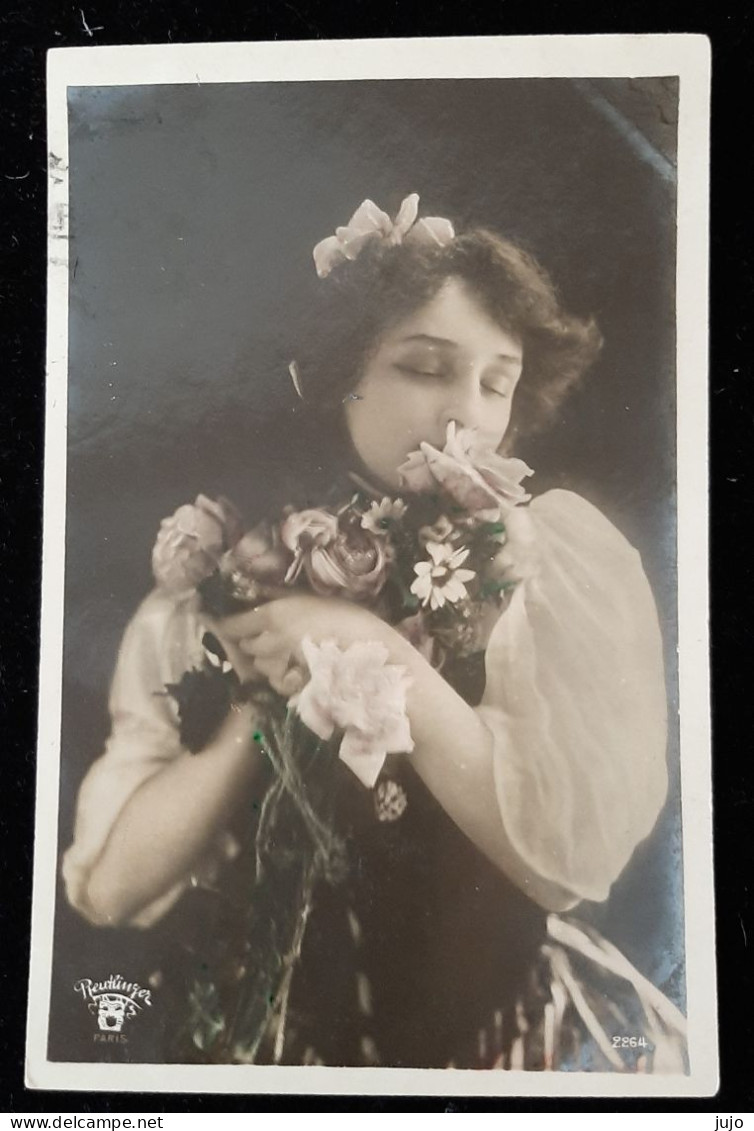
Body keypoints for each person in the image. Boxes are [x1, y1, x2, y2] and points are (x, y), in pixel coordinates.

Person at [62, 194, 681, 1070]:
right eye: (426, 368)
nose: (465, 412)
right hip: (271, 1060)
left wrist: (375, 647)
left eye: (496, 382)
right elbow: (111, 887)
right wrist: (264, 691)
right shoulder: (225, 581)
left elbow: (565, 864)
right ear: (337, 372)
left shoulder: (545, 572)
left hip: (500, 1053)